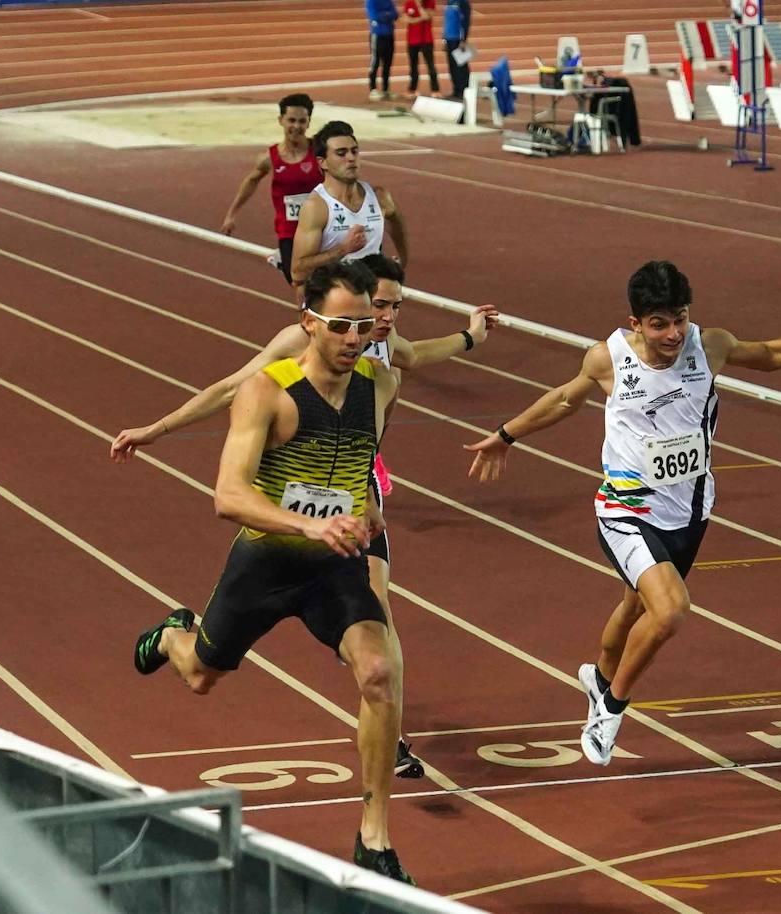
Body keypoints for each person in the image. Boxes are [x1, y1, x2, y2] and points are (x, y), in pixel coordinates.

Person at [111, 254, 499, 779]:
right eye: (376, 306)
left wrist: (471, 334)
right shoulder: (300, 349)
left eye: (391, 309)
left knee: (380, 616)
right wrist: (156, 430)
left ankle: (392, 735)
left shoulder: (380, 354)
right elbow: (231, 389)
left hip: (354, 497)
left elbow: (418, 355)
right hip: (288, 508)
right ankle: (173, 635)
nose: (381, 321)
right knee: (203, 675)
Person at [465, 261, 781, 766]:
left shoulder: (707, 345)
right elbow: (565, 399)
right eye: (659, 324)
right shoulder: (609, 359)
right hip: (626, 510)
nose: (673, 334)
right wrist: (505, 435)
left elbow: (771, 354)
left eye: (679, 319)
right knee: (670, 610)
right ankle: (612, 706)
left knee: (636, 608)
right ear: (635, 322)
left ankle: (598, 680)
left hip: (690, 513)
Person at [131, 262, 415, 882]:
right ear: (308, 323)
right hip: (265, 559)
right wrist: (309, 523)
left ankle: (375, 839)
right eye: (340, 325)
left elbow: (363, 458)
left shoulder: (383, 384)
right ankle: (177, 634)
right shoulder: (269, 391)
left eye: (363, 326)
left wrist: (364, 509)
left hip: (335, 563)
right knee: (202, 676)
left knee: (380, 671)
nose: (353, 338)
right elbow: (228, 495)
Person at [289, 121, 408, 302]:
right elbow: (298, 271)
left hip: (372, 300)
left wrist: (401, 262)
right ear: (323, 163)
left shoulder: (379, 197)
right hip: (335, 304)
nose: (351, 158)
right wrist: (343, 249)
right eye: (341, 153)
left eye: (355, 151)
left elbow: (397, 225)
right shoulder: (317, 207)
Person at [220, 93, 323, 287]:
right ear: (281, 121)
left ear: (309, 122)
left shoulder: (320, 152)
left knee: (318, 286)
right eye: (291, 120)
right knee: (297, 282)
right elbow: (251, 181)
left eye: (302, 121)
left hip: (322, 229)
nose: (297, 126)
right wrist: (231, 214)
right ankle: (284, 261)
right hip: (289, 231)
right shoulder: (269, 158)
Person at [404, 0, 440, 96]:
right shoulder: (409, 2)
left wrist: (419, 6)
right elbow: (407, 19)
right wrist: (420, 18)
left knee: (431, 65)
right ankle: (412, 89)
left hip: (426, 40)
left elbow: (428, 16)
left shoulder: (430, 2)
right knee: (413, 66)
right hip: (412, 40)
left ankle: (435, 90)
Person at [367, 0, 400, 101]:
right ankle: (373, 89)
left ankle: (386, 89)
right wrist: (388, 15)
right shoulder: (371, 1)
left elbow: (396, 14)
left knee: (388, 63)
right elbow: (375, 16)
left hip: (389, 34)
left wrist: (385, 15)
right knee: (375, 61)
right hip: (377, 34)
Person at [442, 0, 472, 100]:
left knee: (461, 65)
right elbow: (446, 22)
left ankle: (465, 90)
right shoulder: (449, 2)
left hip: (458, 39)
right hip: (449, 38)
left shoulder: (463, 2)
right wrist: (444, 39)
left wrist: (464, 40)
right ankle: (456, 90)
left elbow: (466, 22)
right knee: (452, 66)